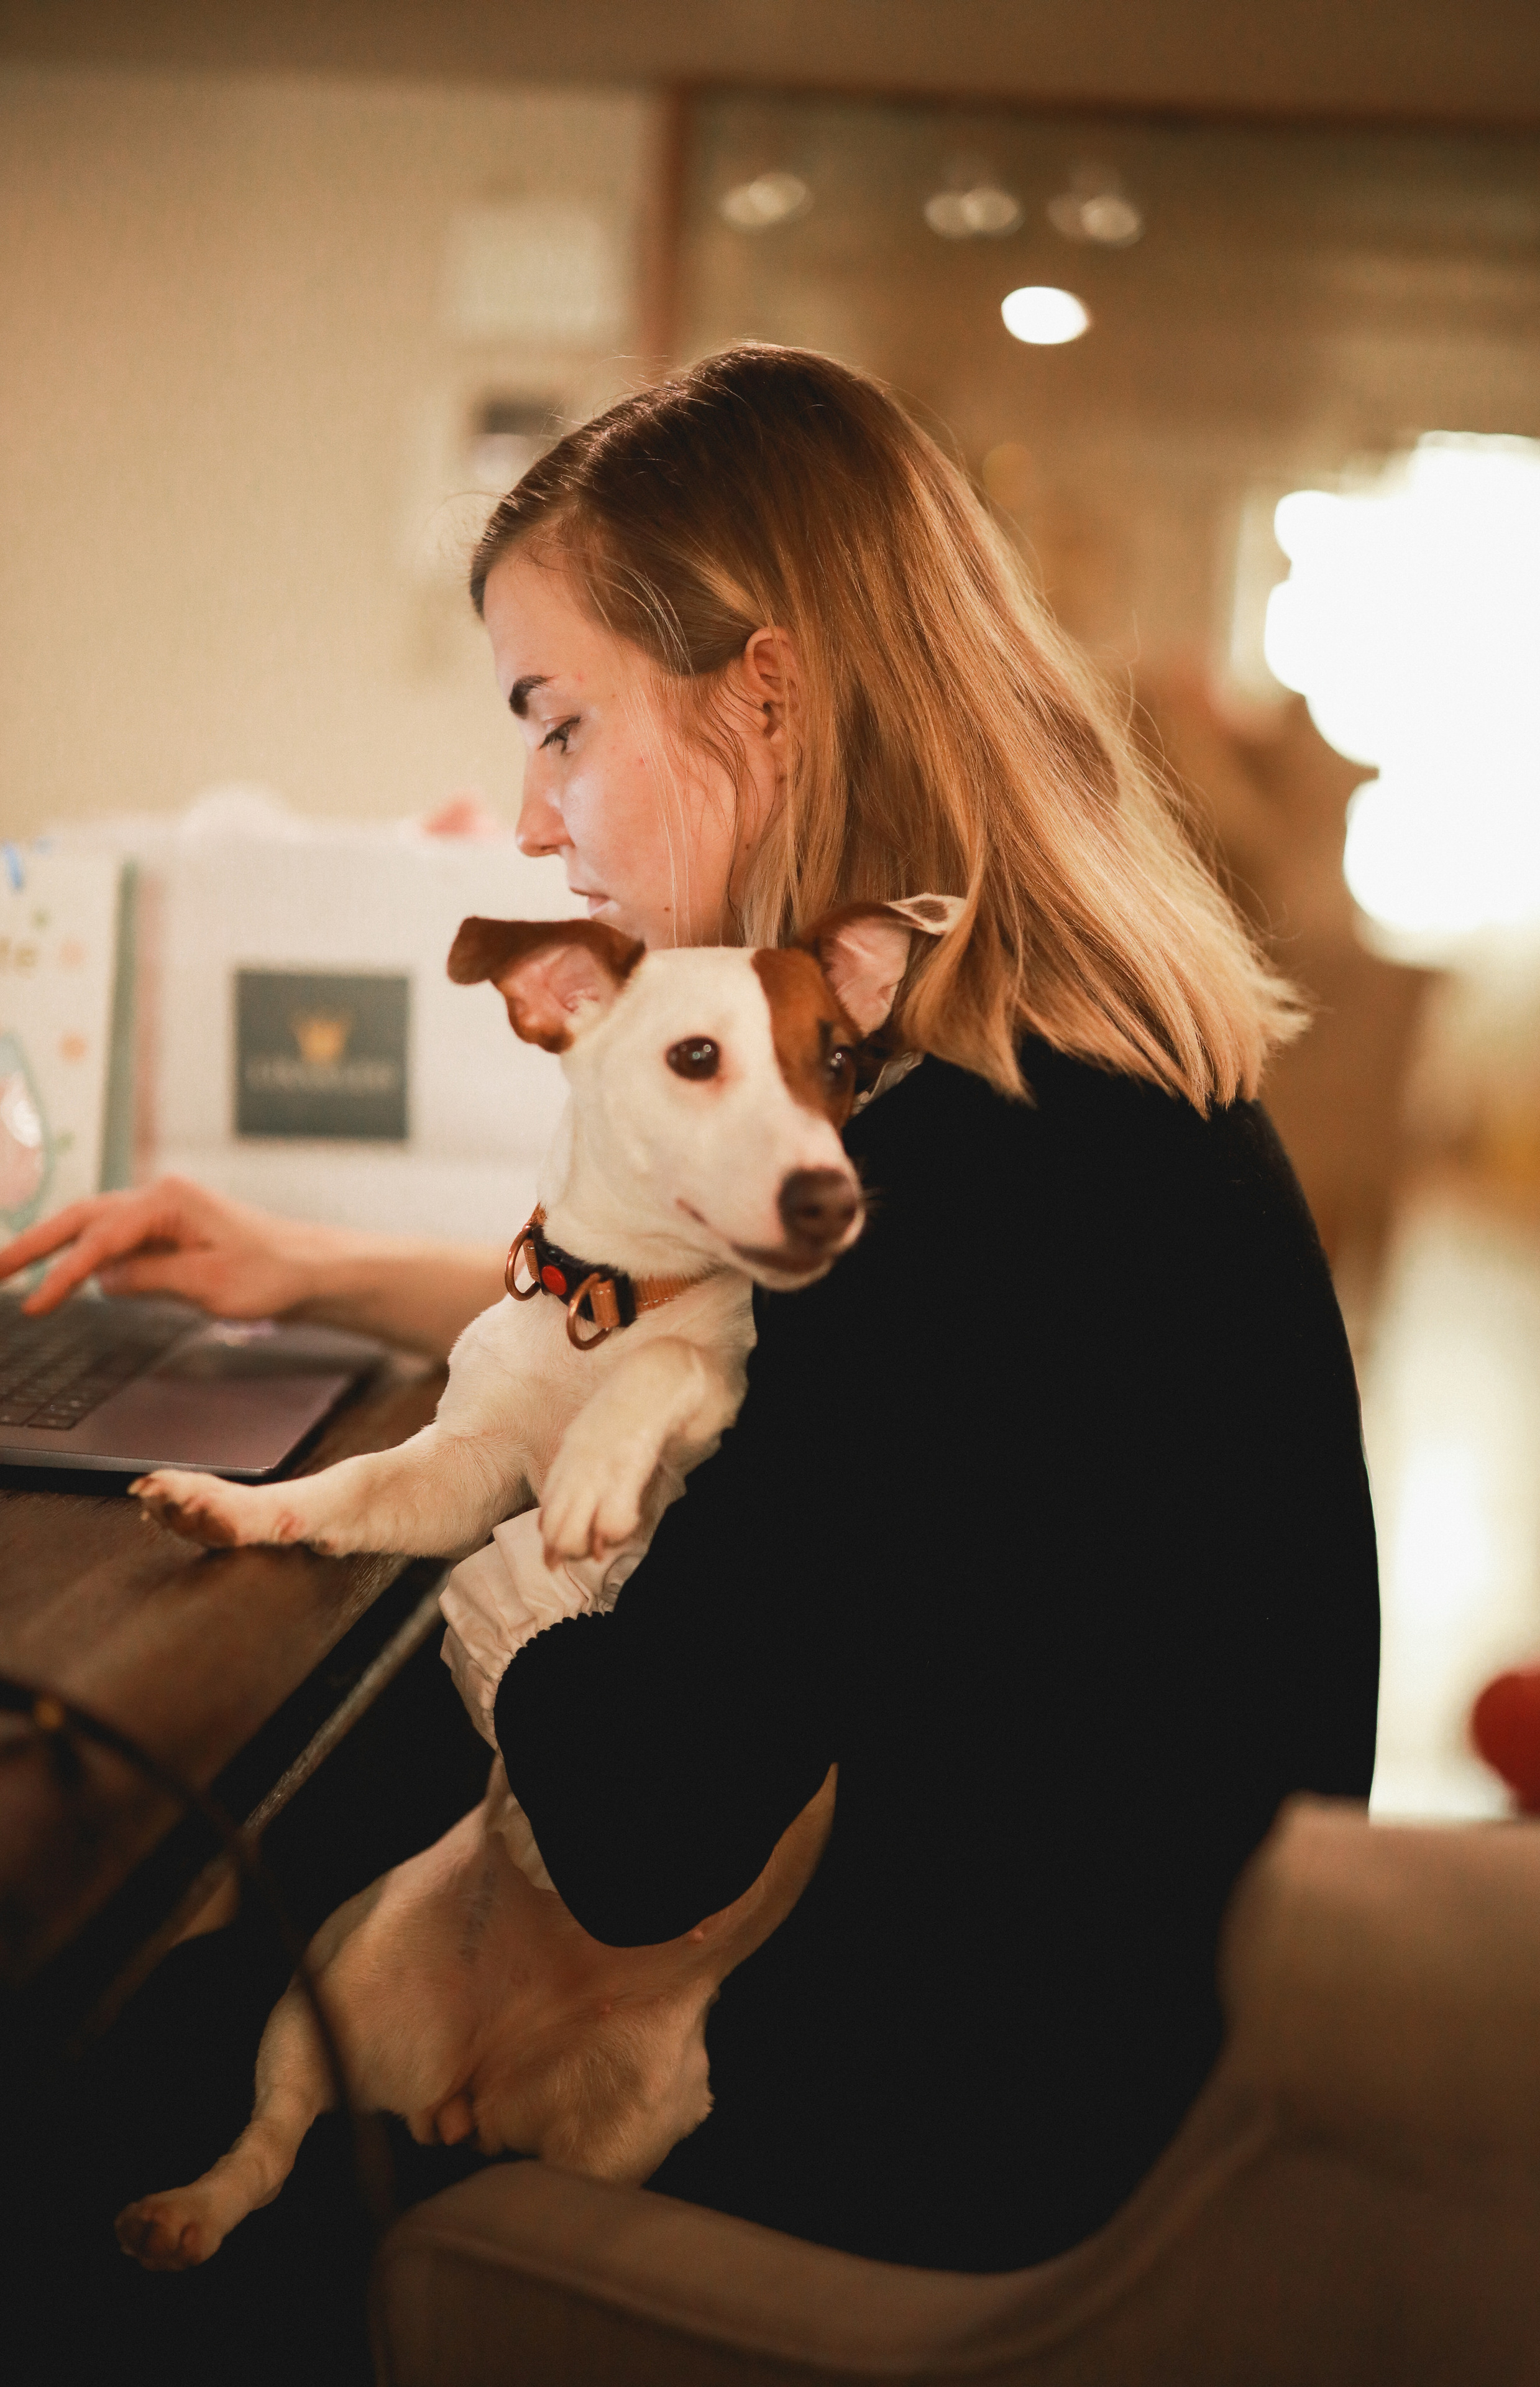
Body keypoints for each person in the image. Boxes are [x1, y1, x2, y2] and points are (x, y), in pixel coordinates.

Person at [1, 345, 1379, 2274]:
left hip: (929, 2152)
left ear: (770, 695)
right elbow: (753, 1360)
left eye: (558, 724)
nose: (539, 817)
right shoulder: (1046, 1091)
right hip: (1060, 2041)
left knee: (117, 2091)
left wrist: (485, 1532)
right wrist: (312, 1268)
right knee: (268, 1923)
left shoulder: (985, 1190)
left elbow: (637, 1822)